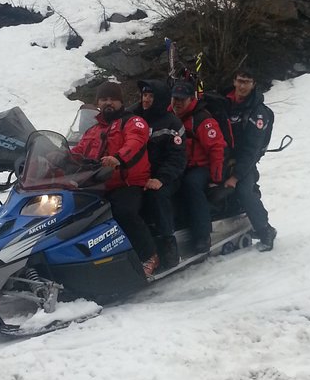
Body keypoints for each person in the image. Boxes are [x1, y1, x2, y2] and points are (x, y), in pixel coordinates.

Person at [70, 81, 160, 277]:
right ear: (98, 102)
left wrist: (118, 158)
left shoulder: (133, 122)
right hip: (96, 184)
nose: (108, 103)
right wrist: (57, 158)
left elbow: (135, 142)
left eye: (113, 99)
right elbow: (78, 151)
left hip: (127, 183)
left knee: (123, 211)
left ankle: (149, 255)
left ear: (121, 102)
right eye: (104, 99)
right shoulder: (93, 130)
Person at [133, 80, 187, 270]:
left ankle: (168, 241)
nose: (146, 100)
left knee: (157, 196)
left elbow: (177, 158)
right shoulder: (132, 116)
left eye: (151, 96)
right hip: (137, 175)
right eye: (144, 95)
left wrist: (161, 178)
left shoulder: (172, 123)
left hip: (165, 176)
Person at [169, 79, 226, 256]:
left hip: (201, 166)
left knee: (191, 185)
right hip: (178, 165)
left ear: (190, 99)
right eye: (174, 98)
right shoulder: (169, 115)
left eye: (181, 99)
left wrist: (216, 178)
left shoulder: (203, 119)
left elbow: (217, 148)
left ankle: (203, 235)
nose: (177, 102)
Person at [223, 65, 276, 251]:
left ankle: (265, 230)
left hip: (243, 163)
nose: (242, 86)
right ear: (234, 81)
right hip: (220, 159)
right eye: (239, 81)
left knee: (244, 191)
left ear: (253, 85)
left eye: (247, 82)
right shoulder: (224, 102)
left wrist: (235, 176)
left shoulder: (258, 113)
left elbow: (251, 150)